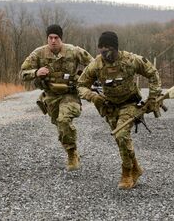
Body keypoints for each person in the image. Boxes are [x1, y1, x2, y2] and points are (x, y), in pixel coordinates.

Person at [77, 31, 162, 189]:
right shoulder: (96, 64)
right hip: (109, 106)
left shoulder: (130, 60)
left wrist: (152, 98)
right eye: (100, 47)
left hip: (130, 104)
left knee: (121, 134)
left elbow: (152, 73)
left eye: (107, 47)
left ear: (115, 48)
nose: (103, 50)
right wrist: (92, 96)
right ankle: (136, 168)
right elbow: (80, 85)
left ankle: (127, 173)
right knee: (119, 139)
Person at [20, 24, 94, 171]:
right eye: (50, 37)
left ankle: (72, 154)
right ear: (47, 38)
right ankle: (71, 150)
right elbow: (22, 73)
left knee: (64, 120)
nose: (53, 40)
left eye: (56, 37)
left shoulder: (74, 51)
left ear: (61, 38)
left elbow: (94, 65)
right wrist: (36, 72)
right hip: (51, 96)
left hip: (70, 94)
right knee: (60, 126)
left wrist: (85, 78)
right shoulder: (39, 53)